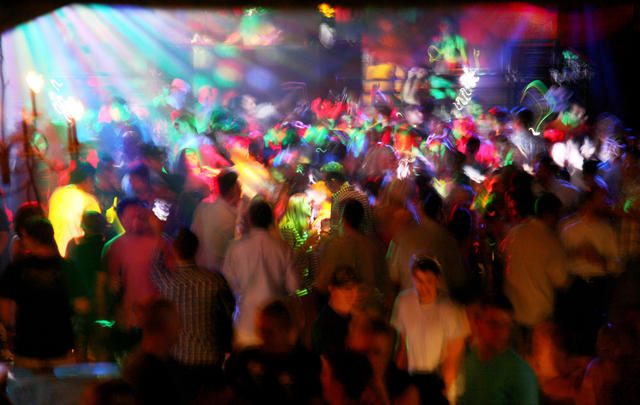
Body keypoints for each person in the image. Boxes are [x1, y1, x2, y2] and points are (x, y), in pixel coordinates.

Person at [150, 228, 235, 402]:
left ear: (174, 250)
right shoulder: (213, 280)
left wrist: (159, 236)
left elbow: (154, 267)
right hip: (210, 358)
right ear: (196, 249)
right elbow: (230, 308)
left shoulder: (169, 283)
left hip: (180, 360)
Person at [0, 217, 87, 367]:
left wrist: (10, 328)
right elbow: (82, 306)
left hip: (27, 347)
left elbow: (4, 304)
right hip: (60, 347)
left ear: (30, 238)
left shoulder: (17, 268)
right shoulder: (67, 267)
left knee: (29, 382)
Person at [222, 197, 300, 348]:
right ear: (271, 220)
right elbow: (294, 286)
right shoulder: (283, 248)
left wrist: (241, 293)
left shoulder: (236, 248)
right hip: (276, 326)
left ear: (250, 220)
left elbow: (227, 283)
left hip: (246, 323)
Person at [391, 255, 468, 394]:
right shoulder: (404, 302)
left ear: (437, 280)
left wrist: (441, 392)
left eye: (429, 281)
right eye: (419, 280)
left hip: (438, 385)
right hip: (412, 384)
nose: (423, 287)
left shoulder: (451, 309)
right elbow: (402, 348)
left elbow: (452, 360)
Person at [225, 300, 322, 405]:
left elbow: (315, 399)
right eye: (260, 331)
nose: (263, 337)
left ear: (286, 330)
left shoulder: (305, 362)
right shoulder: (246, 358)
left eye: (269, 332)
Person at [98, 199, 160, 356]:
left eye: (141, 216)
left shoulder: (160, 243)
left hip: (155, 317)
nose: (137, 221)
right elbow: (105, 285)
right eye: (133, 216)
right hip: (127, 319)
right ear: (121, 219)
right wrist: (106, 315)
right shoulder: (112, 247)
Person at [502, 192, 569, 330]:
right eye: (559, 216)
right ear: (550, 215)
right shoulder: (551, 240)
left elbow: (504, 260)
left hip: (513, 307)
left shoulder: (514, 232)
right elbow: (561, 280)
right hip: (539, 312)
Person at [456, 294, 539, 405]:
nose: (501, 331)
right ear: (478, 323)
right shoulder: (469, 359)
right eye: (493, 324)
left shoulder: (520, 373)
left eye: (506, 324)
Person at [316, 199, 392, 315]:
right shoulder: (375, 247)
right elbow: (386, 287)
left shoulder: (335, 247)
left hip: (344, 313)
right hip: (371, 312)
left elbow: (323, 284)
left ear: (343, 219)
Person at [387, 190, 467, 298]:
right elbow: (458, 279)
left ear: (421, 209)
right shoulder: (447, 239)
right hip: (440, 301)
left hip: (411, 301)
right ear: (441, 213)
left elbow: (393, 275)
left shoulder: (403, 236)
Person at [121, 298, 181, 405]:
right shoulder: (156, 373)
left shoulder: (135, 364)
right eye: (177, 323)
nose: (179, 329)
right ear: (166, 326)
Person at [66, 211, 108, 361]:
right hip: (101, 302)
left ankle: (81, 373)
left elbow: (68, 271)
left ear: (83, 225)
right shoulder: (106, 247)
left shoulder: (74, 245)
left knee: (80, 344)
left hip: (79, 300)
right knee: (101, 346)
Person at [48, 161, 101, 256]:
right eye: (94, 179)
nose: (95, 184)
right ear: (88, 179)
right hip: (77, 255)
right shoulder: (89, 200)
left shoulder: (56, 194)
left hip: (55, 253)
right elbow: (96, 231)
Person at [191, 169, 241, 271]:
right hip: (216, 271)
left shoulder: (203, 207)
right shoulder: (231, 217)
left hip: (198, 265)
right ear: (233, 189)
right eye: (239, 186)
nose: (241, 188)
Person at [312, 266, 361, 356]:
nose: (351, 293)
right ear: (332, 289)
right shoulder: (324, 325)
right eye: (346, 288)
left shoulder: (355, 321)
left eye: (354, 287)